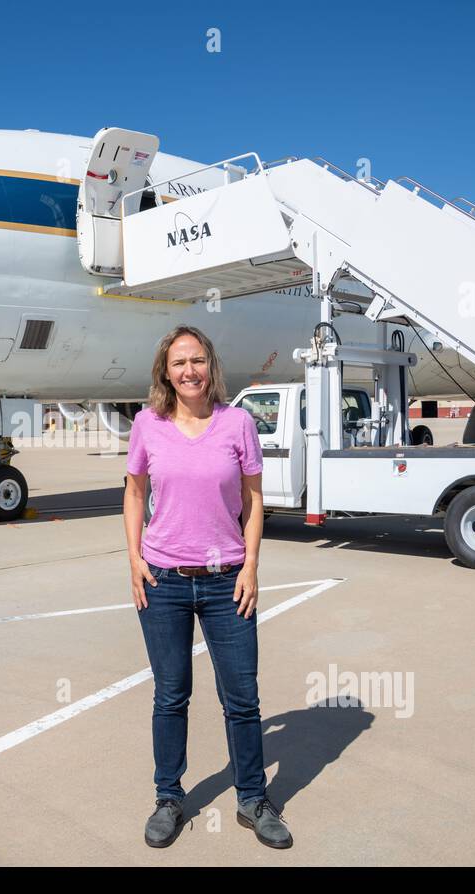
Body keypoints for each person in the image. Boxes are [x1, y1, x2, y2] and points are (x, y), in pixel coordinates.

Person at [122, 325, 292, 850]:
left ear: (209, 367)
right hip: (164, 581)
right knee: (171, 696)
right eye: (179, 363)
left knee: (242, 699)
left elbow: (255, 498)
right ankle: (169, 798)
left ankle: (253, 798)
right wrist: (133, 559)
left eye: (197, 360)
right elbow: (133, 493)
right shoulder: (148, 425)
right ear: (165, 373)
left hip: (226, 583)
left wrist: (252, 566)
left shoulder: (237, 423)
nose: (189, 371)